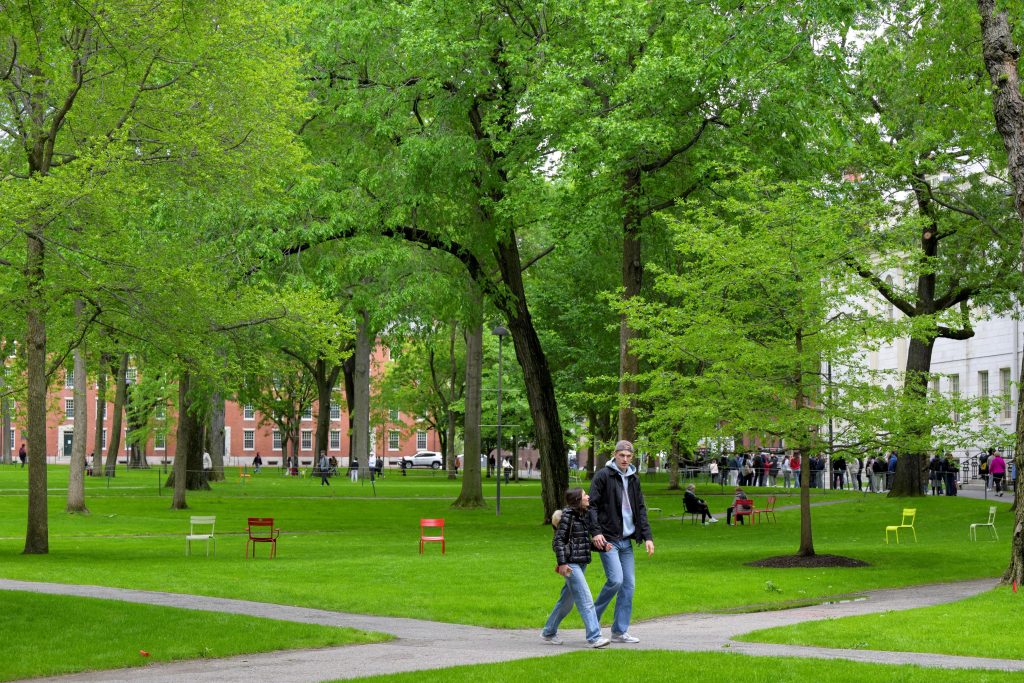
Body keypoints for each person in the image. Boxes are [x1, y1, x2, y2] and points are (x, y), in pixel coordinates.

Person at [588, 439, 654, 644]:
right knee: (616, 580)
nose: (625, 459)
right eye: (621, 455)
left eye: (628, 456)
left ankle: (619, 631)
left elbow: (640, 509)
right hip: (608, 539)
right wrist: (595, 532)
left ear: (632, 457)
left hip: (626, 540)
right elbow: (591, 506)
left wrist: (648, 537)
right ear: (615, 455)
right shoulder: (603, 476)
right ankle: (591, 619)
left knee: (629, 586)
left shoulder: (634, 478)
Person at [540, 488, 610, 649]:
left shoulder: (583, 515)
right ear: (578, 500)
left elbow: (581, 544)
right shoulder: (568, 517)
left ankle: (549, 631)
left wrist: (601, 547)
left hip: (580, 563)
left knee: (566, 602)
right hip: (570, 565)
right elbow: (558, 542)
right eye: (585, 495)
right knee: (586, 599)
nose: (588, 497)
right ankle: (594, 637)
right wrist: (562, 563)